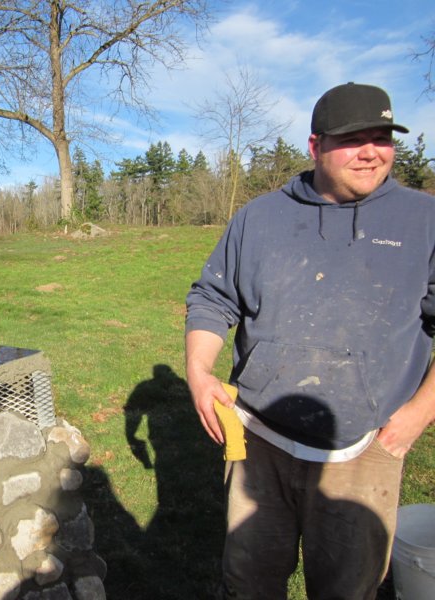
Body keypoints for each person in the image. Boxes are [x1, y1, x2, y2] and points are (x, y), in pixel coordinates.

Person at [185, 82, 435, 598]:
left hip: (363, 451)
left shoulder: (423, 220)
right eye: (353, 139)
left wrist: (417, 415)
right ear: (314, 145)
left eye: (382, 138)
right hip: (257, 440)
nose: (371, 152)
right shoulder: (259, 217)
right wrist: (198, 372)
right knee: (248, 584)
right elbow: (212, 298)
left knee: (349, 590)